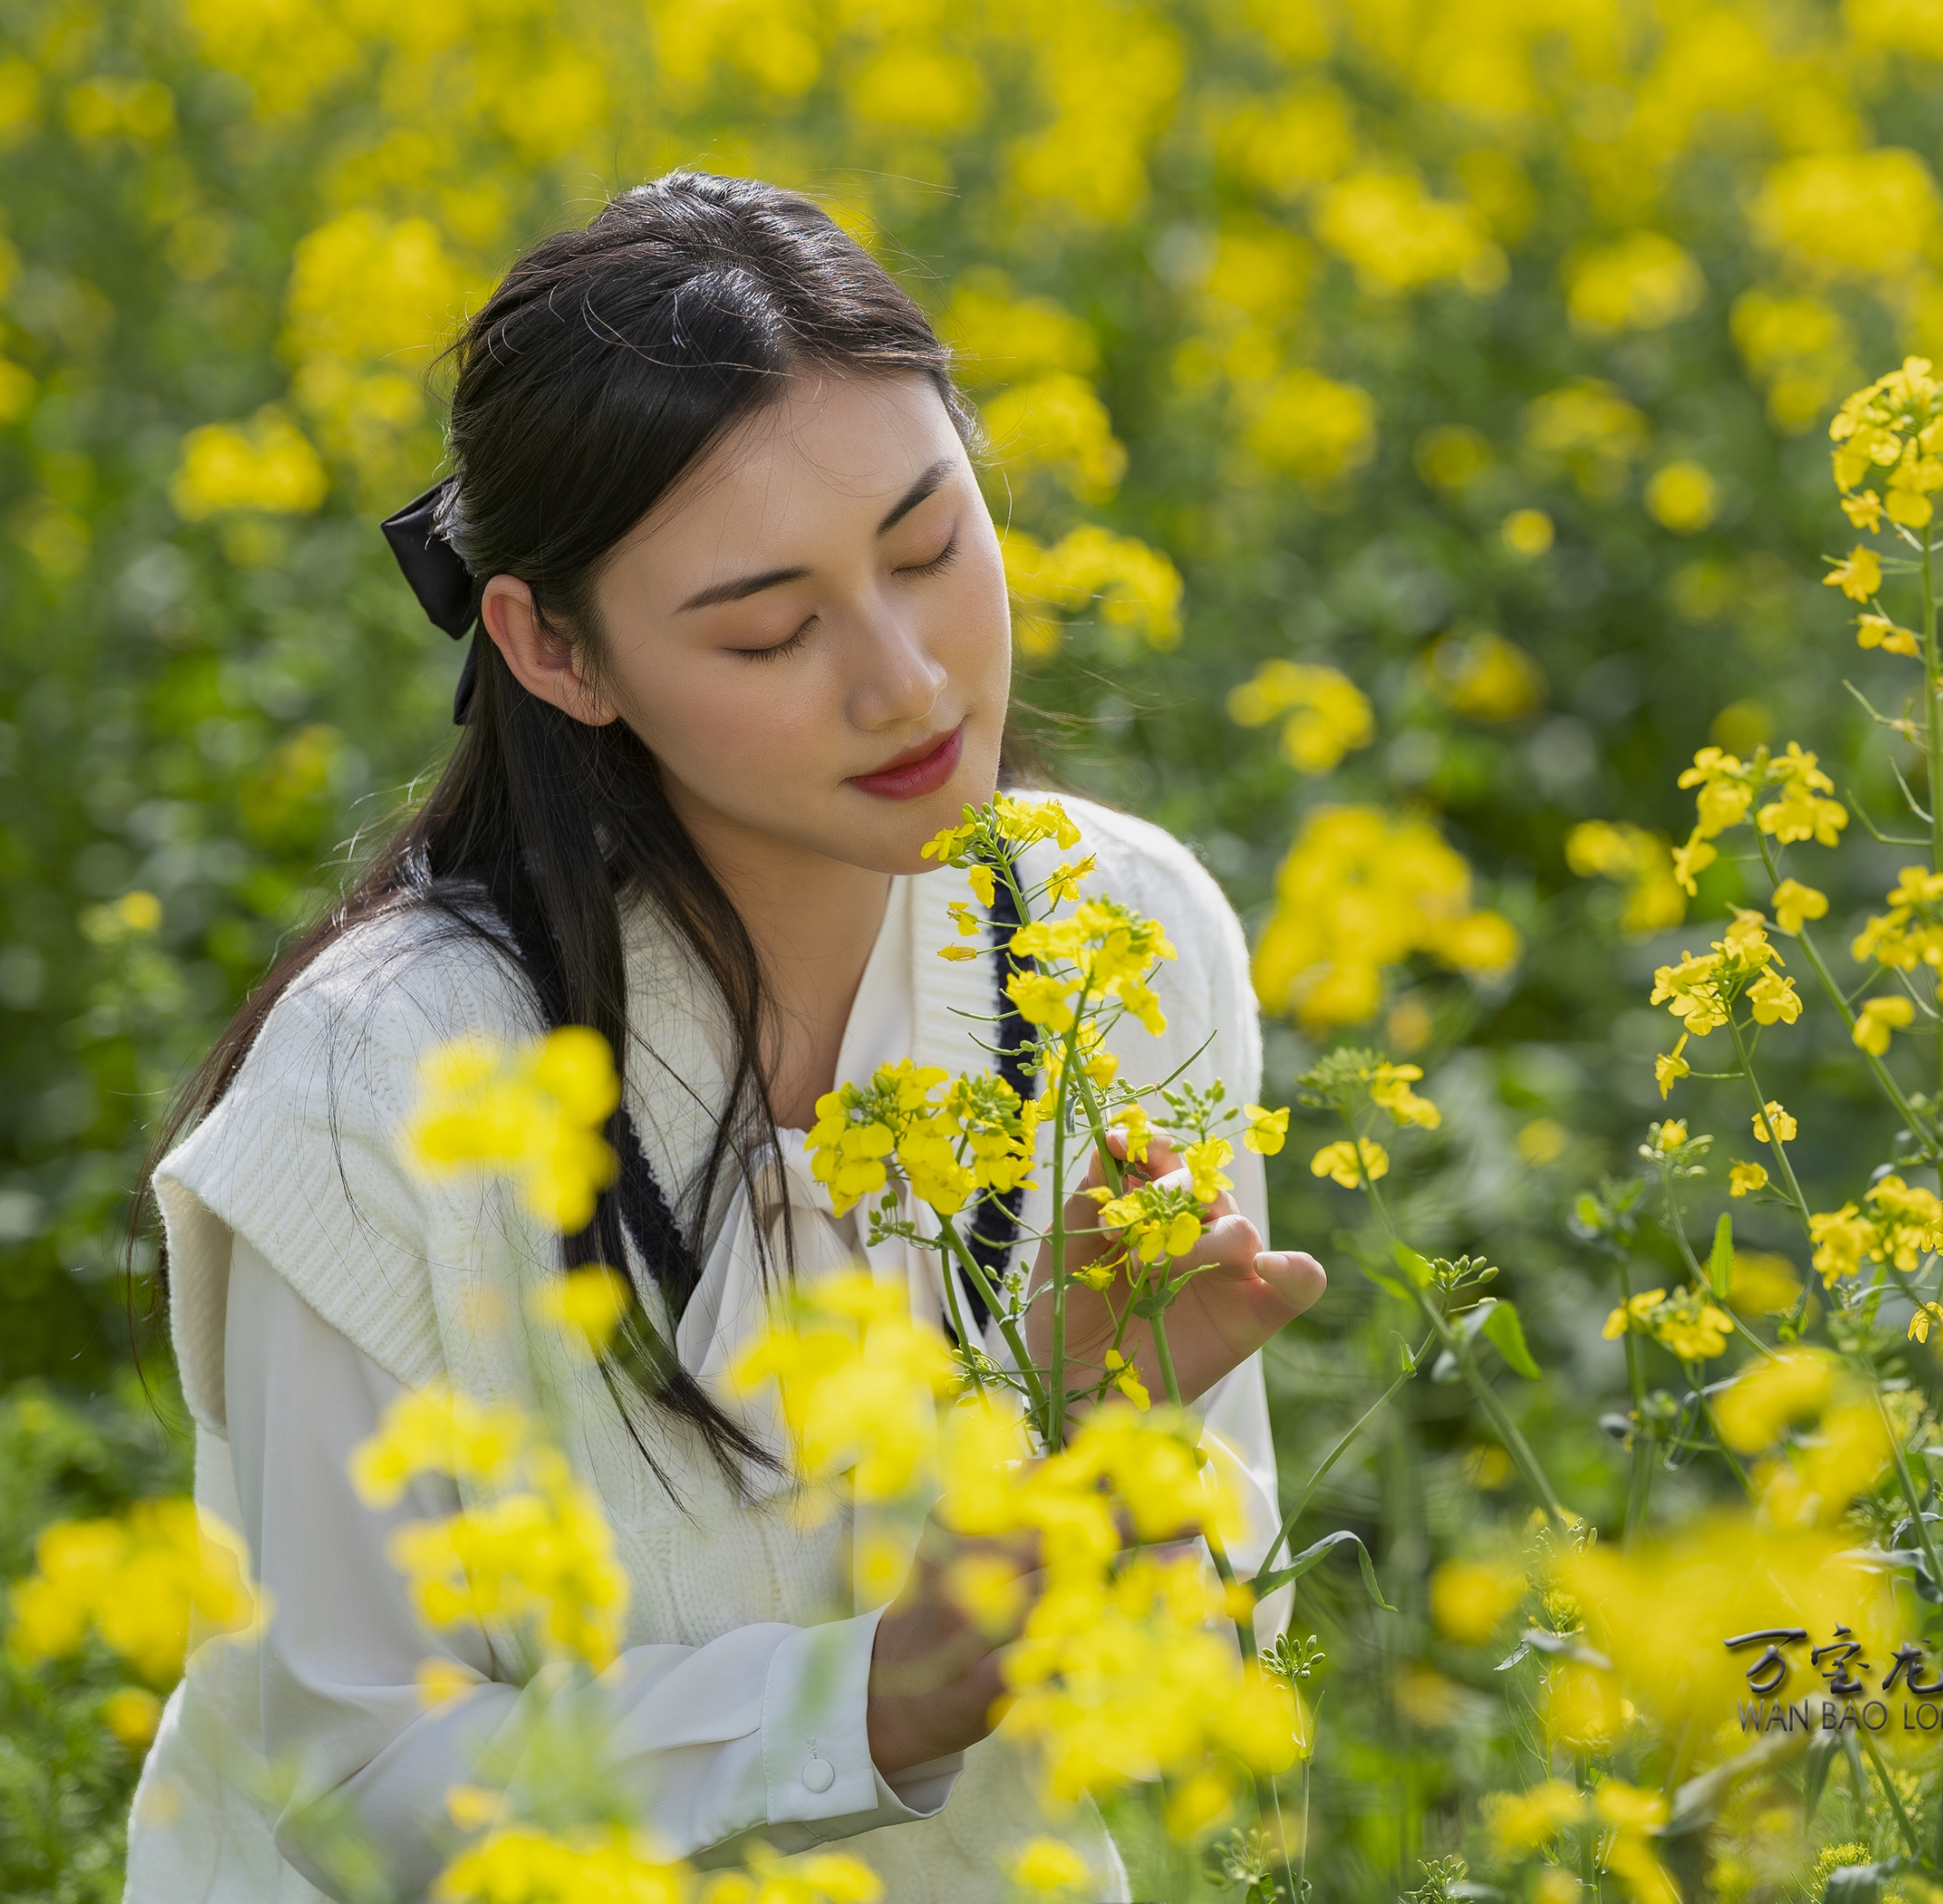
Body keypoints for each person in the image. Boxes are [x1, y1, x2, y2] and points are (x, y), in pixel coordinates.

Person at [122, 171, 1327, 1904]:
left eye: (931, 544)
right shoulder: (381, 1080)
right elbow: (355, 1777)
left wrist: (1108, 1479)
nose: (908, 681)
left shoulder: (1118, 941)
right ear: (552, 646)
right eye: (770, 628)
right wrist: (882, 1696)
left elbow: (1216, 1675)